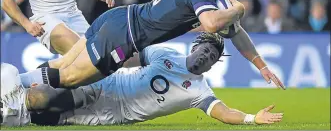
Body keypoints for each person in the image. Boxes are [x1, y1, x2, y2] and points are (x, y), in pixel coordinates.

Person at [20, 0, 285, 91]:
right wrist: (238, 9)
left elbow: (235, 32)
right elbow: (212, 25)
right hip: (123, 36)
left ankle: (15, 83)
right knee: (70, 78)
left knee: (64, 62)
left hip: (119, 19)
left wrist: (260, 65)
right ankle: (17, 97)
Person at [1, 33, 284, 126]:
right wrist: (101, 60)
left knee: (43, 119)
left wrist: (251, 119)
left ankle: (8, 110)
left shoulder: (199, 91)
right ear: (195, 46)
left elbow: (224, 113)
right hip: (106, 84)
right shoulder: (164, 54)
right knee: (41, 99)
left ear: (214, 65)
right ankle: (13, 95)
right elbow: (128, 54)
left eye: (211, 56)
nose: (205, 57)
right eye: (205, 50)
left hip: (113, 116)